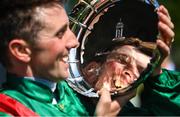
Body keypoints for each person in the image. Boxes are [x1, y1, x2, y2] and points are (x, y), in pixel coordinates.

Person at [0, 0, 134, 116]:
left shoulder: (78, 90)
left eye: (69, 29)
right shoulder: (10, 110)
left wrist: (154, 73)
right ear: (21, 50)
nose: (74, 42)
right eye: (60, 34)